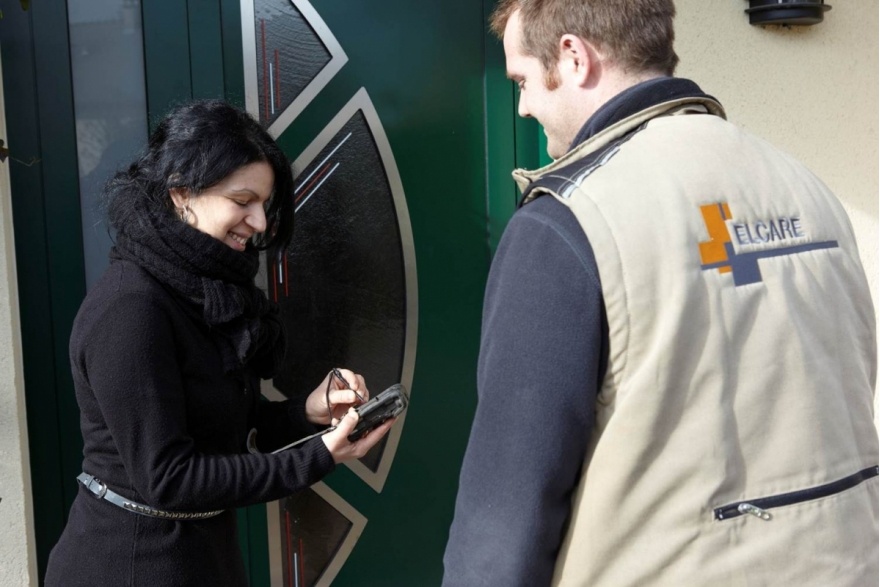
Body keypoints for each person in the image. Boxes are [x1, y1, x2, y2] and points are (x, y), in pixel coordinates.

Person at [443, 1, 878, 585]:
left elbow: (504, 522)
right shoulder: (808, 189)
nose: (521, 106)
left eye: (522, 80)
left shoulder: (567, 225)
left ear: (574, 57)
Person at [44, 100, 395, 586]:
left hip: (199, 557)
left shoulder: (200, 290)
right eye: (242, 200)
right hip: (131, 566)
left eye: (263, 206)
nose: (257, 223)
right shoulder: (132, 309)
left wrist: (308, 412)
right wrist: (321, 455)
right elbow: (170, 479)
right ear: (181, 193)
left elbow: (219, 424)